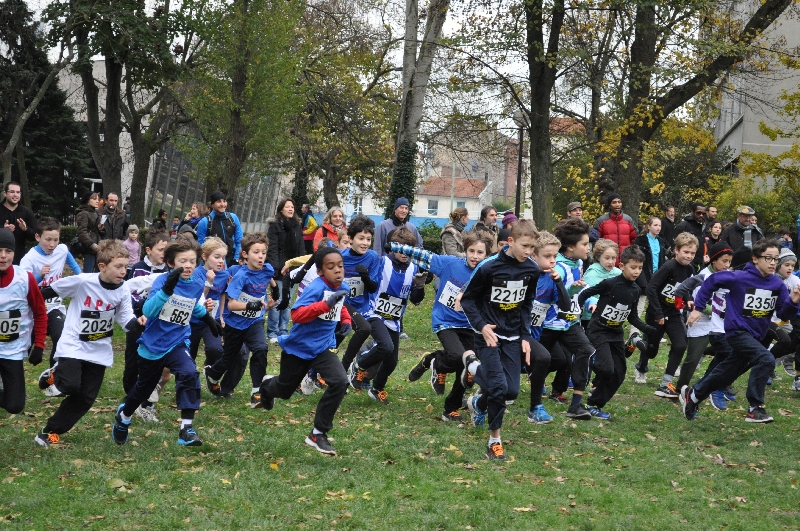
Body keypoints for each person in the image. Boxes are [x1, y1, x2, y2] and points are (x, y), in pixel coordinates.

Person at [112, 238, 222, 447]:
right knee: (143, 389)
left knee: (189, 373)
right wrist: (166, 291)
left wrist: (208, 319)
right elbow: (148, 311)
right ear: (171, 263)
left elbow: (190, 306)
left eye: (192, 261)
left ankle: (186, 429)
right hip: (153, 345)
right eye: (183, 261)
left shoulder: (197, 283)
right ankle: (124, 416)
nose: (188, 266)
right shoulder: (162, 281)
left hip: (178, 341)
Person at [681, 239, 800, 424]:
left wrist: (793, 301)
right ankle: (755, 408)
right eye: (768, 258)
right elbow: (711, 280)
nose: (772, 263)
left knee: (728, 372)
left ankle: (694, 394)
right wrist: (698, 307)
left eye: (775, 259)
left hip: (756, 335)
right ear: (755, 259)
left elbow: (784, 313)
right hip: (737, 332)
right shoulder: (738, 277)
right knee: (766, 359)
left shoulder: (777, 284)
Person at [33, 240, 136, 446]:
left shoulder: (123, 289)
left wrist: (140, 324)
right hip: (74, 344)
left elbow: (125, 318)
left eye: (126, 266)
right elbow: (48, 291)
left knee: (86, 398)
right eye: (118, 266)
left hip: (99, 350)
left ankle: (49, 431)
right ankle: (56, 374)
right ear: (102, 266)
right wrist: (23, 300)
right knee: (71, 385)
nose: (123, 271)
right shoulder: (83, 282)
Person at [258, 247, 351, 455]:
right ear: (320, 272)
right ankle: (266, 386)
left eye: (340, 266)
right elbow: (297, 315)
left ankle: (318, 433)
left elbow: (340, 304)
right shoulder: (315, 289)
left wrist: (345, 319)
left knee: (340, 381)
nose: (338, 271)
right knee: (284, 390)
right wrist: (324, 306)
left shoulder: (342, 285)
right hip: (298, 349)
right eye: (331, 267)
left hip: (322, 349)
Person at [460, 220, 540, 461]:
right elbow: (468, 300)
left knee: (511, 391)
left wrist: (525, 336)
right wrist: (482, 326)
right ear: (510, 242)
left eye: (532, 248)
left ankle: (476, 390)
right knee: (499, 387)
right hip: (489, 336)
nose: (528, 252)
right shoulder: (488, 268)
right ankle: (494, 441)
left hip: (513, 335)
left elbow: (527, 304)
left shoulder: (532, 270)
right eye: (525, 246)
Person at [397, 231, 493, 421]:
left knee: (468, 366)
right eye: (471, 251)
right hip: (445, 321)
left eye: (480, 253)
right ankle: (437, 364)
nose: (474, 256)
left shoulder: (488, 273)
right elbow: (423, 256)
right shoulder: (450, 263)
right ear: (464, 251)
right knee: (458, 357)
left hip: (470, 326)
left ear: (487, 255)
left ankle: (451, 408)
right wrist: (395, 247)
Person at [577, 245, 657, 418]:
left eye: (640, 268)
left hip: (616, 334)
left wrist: (648, 329)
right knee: (606, 368)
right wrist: (577, 311)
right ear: (622, 266)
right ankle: (586, 362)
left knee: (619, 373)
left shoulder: (635, 290)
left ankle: (594, 404)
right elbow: (585, 293)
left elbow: (632, 317)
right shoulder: (610, 284)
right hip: (598, 330)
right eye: (633, 267)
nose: (636, 272)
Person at [348, 228, 426, 404]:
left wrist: (419, 287)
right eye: (402, 248)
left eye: (410, 248)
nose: (405, 253)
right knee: (385, 346)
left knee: (391, 362)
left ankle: (377, 389)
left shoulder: (414, 269)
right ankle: (359, 365)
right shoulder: (382, 262)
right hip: (374, 312)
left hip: (394, 319)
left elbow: (415, 299)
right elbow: (369, 283)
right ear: (394, 248)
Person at [204, 232, 278, 408]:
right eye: (256, 252)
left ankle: (256, 392)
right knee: (229, 358)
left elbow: (269, 277)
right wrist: (251, 306)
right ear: (245, 254)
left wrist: (276, 292)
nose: (261, 256)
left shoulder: (267, 268)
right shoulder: (241, 276)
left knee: (261, 349)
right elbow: (231, 305)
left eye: (263, 252)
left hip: (255, 321)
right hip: (235, 324)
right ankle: (212, 374)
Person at [539, 218, 597, 417]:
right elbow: (549, 295)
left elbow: (572, 290)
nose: (588, 248)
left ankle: (576, 405)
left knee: (586, 351)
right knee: (536, 361)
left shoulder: (579, 262)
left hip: (569, 322)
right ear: (571, 247)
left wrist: (580, 293)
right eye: (584, 244)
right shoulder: (557, 267)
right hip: (548, 323)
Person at [634, 232, 698, 393]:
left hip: (674, 313)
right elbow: (651, 288)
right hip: (657, 312)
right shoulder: (668, 267)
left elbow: (684, 288)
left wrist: (688, 299)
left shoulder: (690, 269)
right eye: (686, 252)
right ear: (676, 250)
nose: (689, 256)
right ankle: (640, 362)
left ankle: (665, 384)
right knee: (652, 350)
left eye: (692, 253)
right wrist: (658, 313)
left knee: (681, 344)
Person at [524, 231, 576, 423]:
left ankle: (535, 404)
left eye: (555, 256)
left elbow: (565, 306)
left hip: (537, 331)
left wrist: (559, 282)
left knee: (557, 359)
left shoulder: (552, 278)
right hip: (515, 331)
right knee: (509, 385)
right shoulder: (524, 273)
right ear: (533, 256)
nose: (552, 261)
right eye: (547, 256)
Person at [672, 242, 734, 400]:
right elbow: (696, 299)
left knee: (728, 354)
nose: (727, 265)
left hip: (720, 324)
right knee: (692, 359)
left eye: (729, 261)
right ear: (714, 260)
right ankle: (681, 388)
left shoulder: (730, 276)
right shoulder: (703, 277)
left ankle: (714, 385)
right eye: (724, 261)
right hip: (701, 323)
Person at [19, 217, 81, 367]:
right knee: (24, 345)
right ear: (37, 237)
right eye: (48, 239)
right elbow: (22, 286)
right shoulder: (29, 259)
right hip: (32, 309)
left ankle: (52, 374)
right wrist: (39, 276)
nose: (52, 244)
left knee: (60, 337)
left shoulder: (62, 250)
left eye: (56, 239)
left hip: (54, 305)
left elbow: (76, 268)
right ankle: (10, 373)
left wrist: (83, 280)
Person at [122, 229, 169, 421]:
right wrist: (140, 310)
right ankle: (130, 396)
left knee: (154, 364)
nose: (164, 254)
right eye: (161, 250)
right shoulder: (138, 268)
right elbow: (128, 291)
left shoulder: (169, 271)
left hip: (158, 324)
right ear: (148, 250)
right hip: (137, 320)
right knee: (132, 362)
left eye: (167, 250)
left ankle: (146, 403)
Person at [0, 227, 46, 417]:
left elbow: (40, 313)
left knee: (15, 405)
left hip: (13, 350)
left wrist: (39, 345)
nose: (3, 256)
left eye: (8, 251)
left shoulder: (25, 279)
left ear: (14, 253)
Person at [338, 216, 381, 377]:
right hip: (340, 303)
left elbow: (373, 288)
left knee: (339, 339)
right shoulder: (340, 256)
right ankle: (315, 374)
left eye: (368, 239)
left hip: (362, 307)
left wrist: (366, 277)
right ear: (350, 238)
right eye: (361, 238)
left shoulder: (372, 257)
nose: (365, 243)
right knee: (336, 339)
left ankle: (342, 369)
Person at [267, 199, 304, 342]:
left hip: (293, 269)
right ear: (281, 209)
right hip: (279, 269)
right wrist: (275, 268)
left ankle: (283, 330)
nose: (290, 209)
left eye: (292, 207)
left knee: (287, 301)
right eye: (287, 206)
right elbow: (272, 248)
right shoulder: (275, 226)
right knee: (278, 300)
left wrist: (301, 267)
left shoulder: (297, 226)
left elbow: (301, 247)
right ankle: (272, 332)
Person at [633, 217, 668, 331]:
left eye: (659, 226)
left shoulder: (661, 242)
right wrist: (643, 282)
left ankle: (654, 331)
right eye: (655, 225)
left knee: (655, 307)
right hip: (644, 278)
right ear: (648, 226)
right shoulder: (640, 241)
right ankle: (635, 332)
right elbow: (637, 262)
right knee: (639, 306)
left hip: (657, 278)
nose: (658, 228)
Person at [196, 190, 243, 267]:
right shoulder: (205, 222)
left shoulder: (233, 218)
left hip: (232, 259)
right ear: (212, 204)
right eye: (219, 201)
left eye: (224, 201)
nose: (222, 204)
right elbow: (200, 245)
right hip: (214, 261)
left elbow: (239, 240)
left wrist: (236, 259)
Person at [581, 239, 621, 329]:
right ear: (598, 257)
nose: (610, 262)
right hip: (591, 317)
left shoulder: (618, 273)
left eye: (613, 258)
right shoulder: (592, 273)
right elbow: (585, 294)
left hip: (611, 315)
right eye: (607, 258)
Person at [593, 193, 637, 263]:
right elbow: (596, 241)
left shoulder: (628, 220)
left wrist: (631, 255)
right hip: (608, 261)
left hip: (625, 260)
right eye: (614, 202)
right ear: (610, 205)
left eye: (619, 202)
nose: (617, 205)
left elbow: (635, 240)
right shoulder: (602, 221)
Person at [0, 181, 37, 265]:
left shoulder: (26, 212)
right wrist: (3, 230)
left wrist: (25, 229)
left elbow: (35, 236)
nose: (15, 195)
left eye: (18, 192)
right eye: (12, 192)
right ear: (5, 193)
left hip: (19, 259)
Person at [75, 192, 105, 273]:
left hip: (97, 247)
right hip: (89, 248)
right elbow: (82, 231)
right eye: (94, 199)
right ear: (88, 201)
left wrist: (100, 228)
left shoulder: (94, 212)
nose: (97, 201)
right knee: (88, 273)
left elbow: (94, 229)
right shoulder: (83, 213)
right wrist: (91, 244)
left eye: (98, 199)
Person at [674, 202, 706, 268]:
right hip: (685, 264)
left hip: (699, 264)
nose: (701, 215)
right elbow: (674, 246)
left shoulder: (702, 227)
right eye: (698, 213)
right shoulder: (683, 226)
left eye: (703, 213)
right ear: (692, 212)